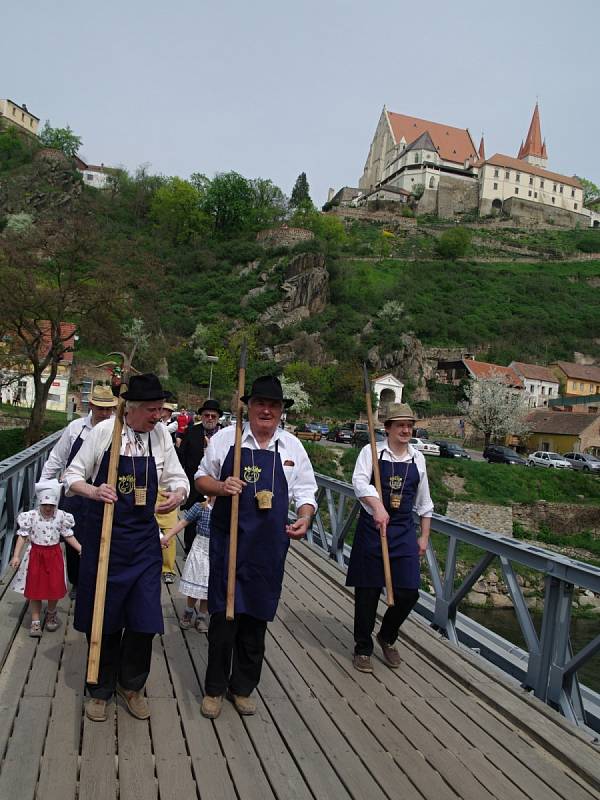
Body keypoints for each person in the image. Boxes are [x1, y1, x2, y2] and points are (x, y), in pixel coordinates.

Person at [64, 373, 189, 723]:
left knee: (143, 618)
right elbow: (71, 478)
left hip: (143, 543)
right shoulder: (104, 434)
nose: (158, 416)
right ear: (130, 409)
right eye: (152, 409)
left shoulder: (161, 436)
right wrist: (95, 490)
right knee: (103, 618)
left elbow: (180, 479)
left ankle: (131, 685)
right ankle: (100, 689)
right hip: (106, 540)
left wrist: (177, 494)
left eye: (161, 409)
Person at [195, 375, 317, 719]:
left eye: (274, 405)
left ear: (281, 411)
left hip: (268, 547)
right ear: (248, 407)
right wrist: (220, 486)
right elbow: (200, 479)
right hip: (229, 541)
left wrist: (305, 517)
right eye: (260, 403)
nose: (267, 410)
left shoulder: (291, 447)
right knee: (224, 619)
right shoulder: (226, 439)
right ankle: (215, 689)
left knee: (256, 619)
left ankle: (243, 687)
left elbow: (307, 493)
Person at [346, 403, 433, 674]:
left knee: (408, 592)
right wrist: (378, 507)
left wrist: (424, 536)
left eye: (409, 425)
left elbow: (425, 501)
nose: (406, 430)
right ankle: (363, 648)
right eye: (400, 425)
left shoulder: (418, 459)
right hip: (373, 529)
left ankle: (387, 635)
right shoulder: (371, 451)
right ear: (387, 428)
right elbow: (359, 483)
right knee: (368, 592)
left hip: (404, 530)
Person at [41, 384, 118, 598]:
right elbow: (57, 458)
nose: (105, 413)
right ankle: (76, 580)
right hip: (74, 492)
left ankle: (96, 580)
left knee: (99, 538)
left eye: (108, 409)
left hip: (103, 492)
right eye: (100, 408)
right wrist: (44, 488)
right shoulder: (76, 428)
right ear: (91, 406)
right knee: (72, 537)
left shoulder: (117, 431)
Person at [9, 479, 82, 636]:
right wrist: (16, 555)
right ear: (40, 503)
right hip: (36, 556)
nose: (48, 508)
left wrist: (80, 549)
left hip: (54, 556)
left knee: (53, 587)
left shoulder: (61, 516)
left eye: (52, 505)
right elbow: (22, 536)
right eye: (45, 505)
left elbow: (68, 535)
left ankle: (51, 612)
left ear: (56, 505)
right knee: (35, 589)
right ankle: (35, 620)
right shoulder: (32, 516)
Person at [161, 497, 213, 631]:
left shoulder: (225, 511)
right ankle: (188, 611)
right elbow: (183, 522)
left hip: (216, 550)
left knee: (208, 584)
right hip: (200, 548)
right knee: (196, 579)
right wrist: (168, 536)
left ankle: (202, 615)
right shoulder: (200, 507)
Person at [178, 399, 222, 552]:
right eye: (207, 415)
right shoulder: (191, 431)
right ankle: (188, 548)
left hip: (216, 485)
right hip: (193, 481)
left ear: (218, 418)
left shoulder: (224, 435)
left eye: (213, 416)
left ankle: (213, 549)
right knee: (191, 516)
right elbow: (181, 456)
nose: (210, 418)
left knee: (215, 517)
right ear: (201, 416)